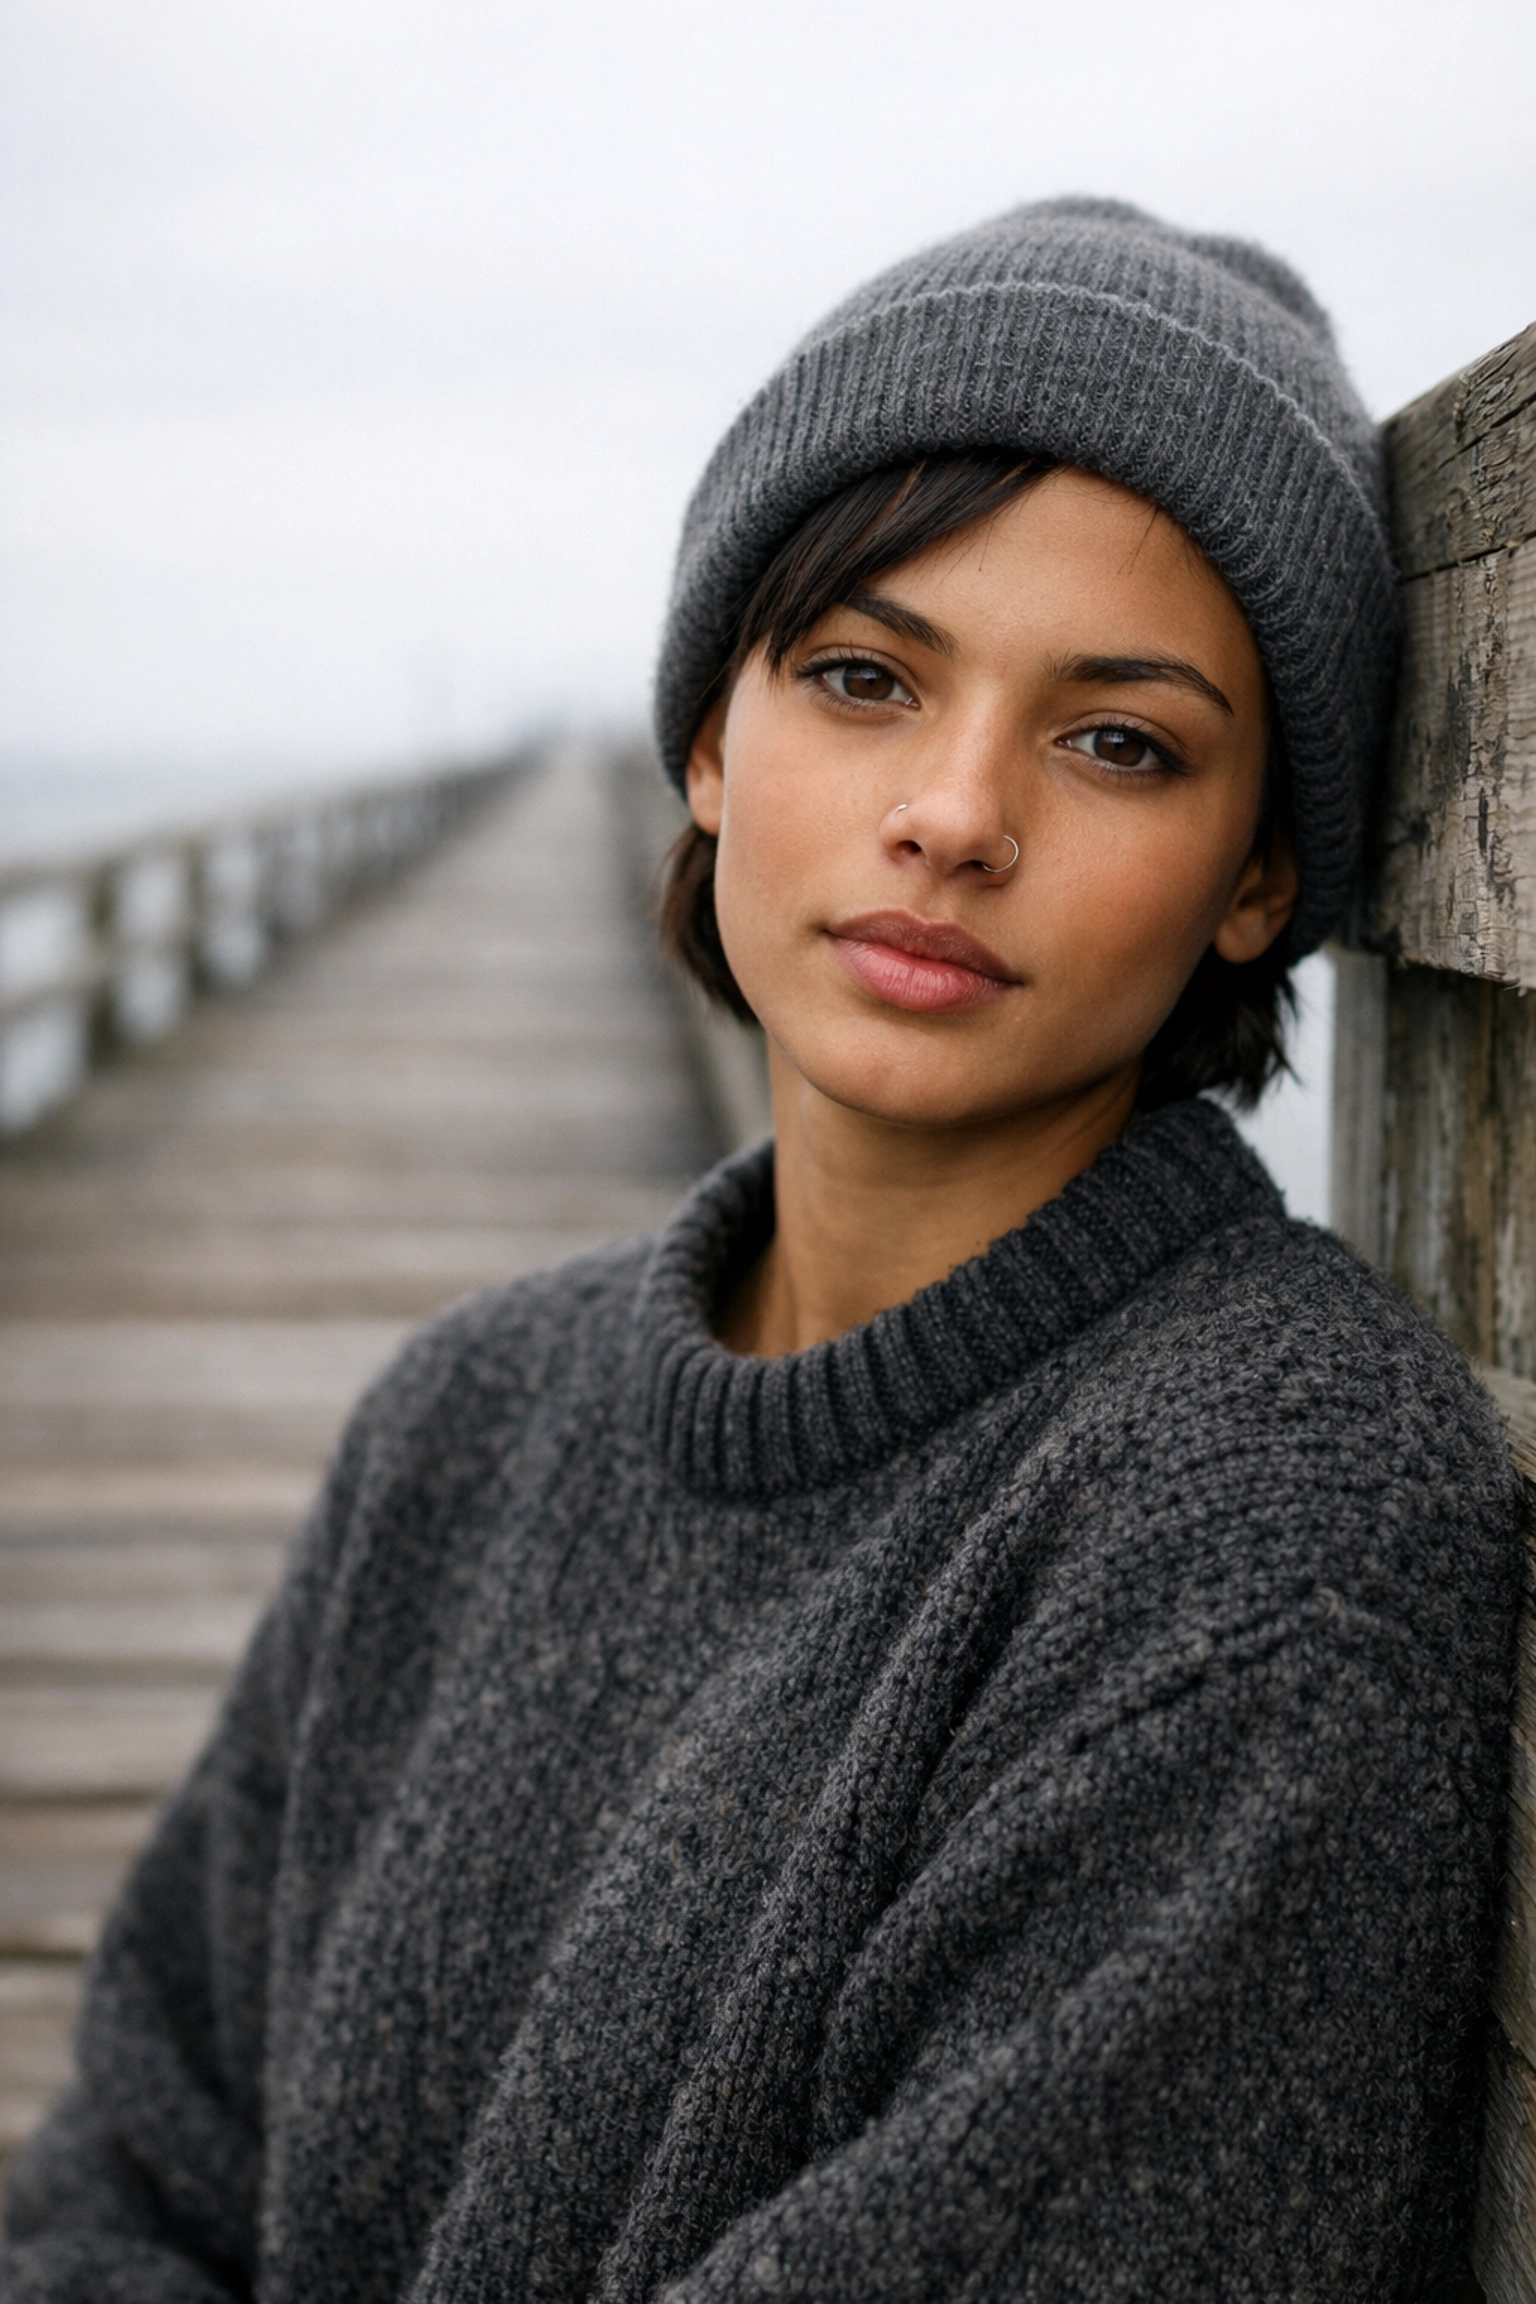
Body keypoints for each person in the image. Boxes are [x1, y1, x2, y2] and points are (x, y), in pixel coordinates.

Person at [1, 198, 1521, 2304]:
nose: (955, 812)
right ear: (712, 743)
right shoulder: (466, 1412)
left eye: (1118, 741)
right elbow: (120, 2182)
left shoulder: (1272, 1528)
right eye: (864, 676)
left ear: (1257, 875)